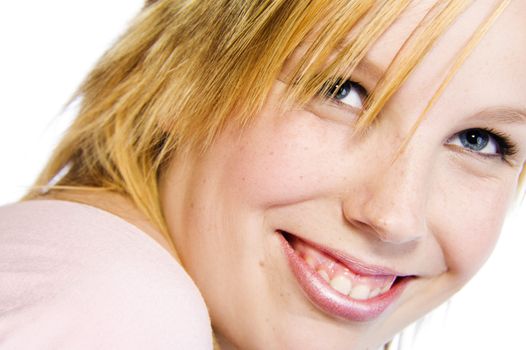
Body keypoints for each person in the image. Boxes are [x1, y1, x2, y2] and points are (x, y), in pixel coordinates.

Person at [0, 0, 524, 349]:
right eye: (341, 90)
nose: (394, 216)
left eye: (479, 141)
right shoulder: (116, 308)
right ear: (182, 72)